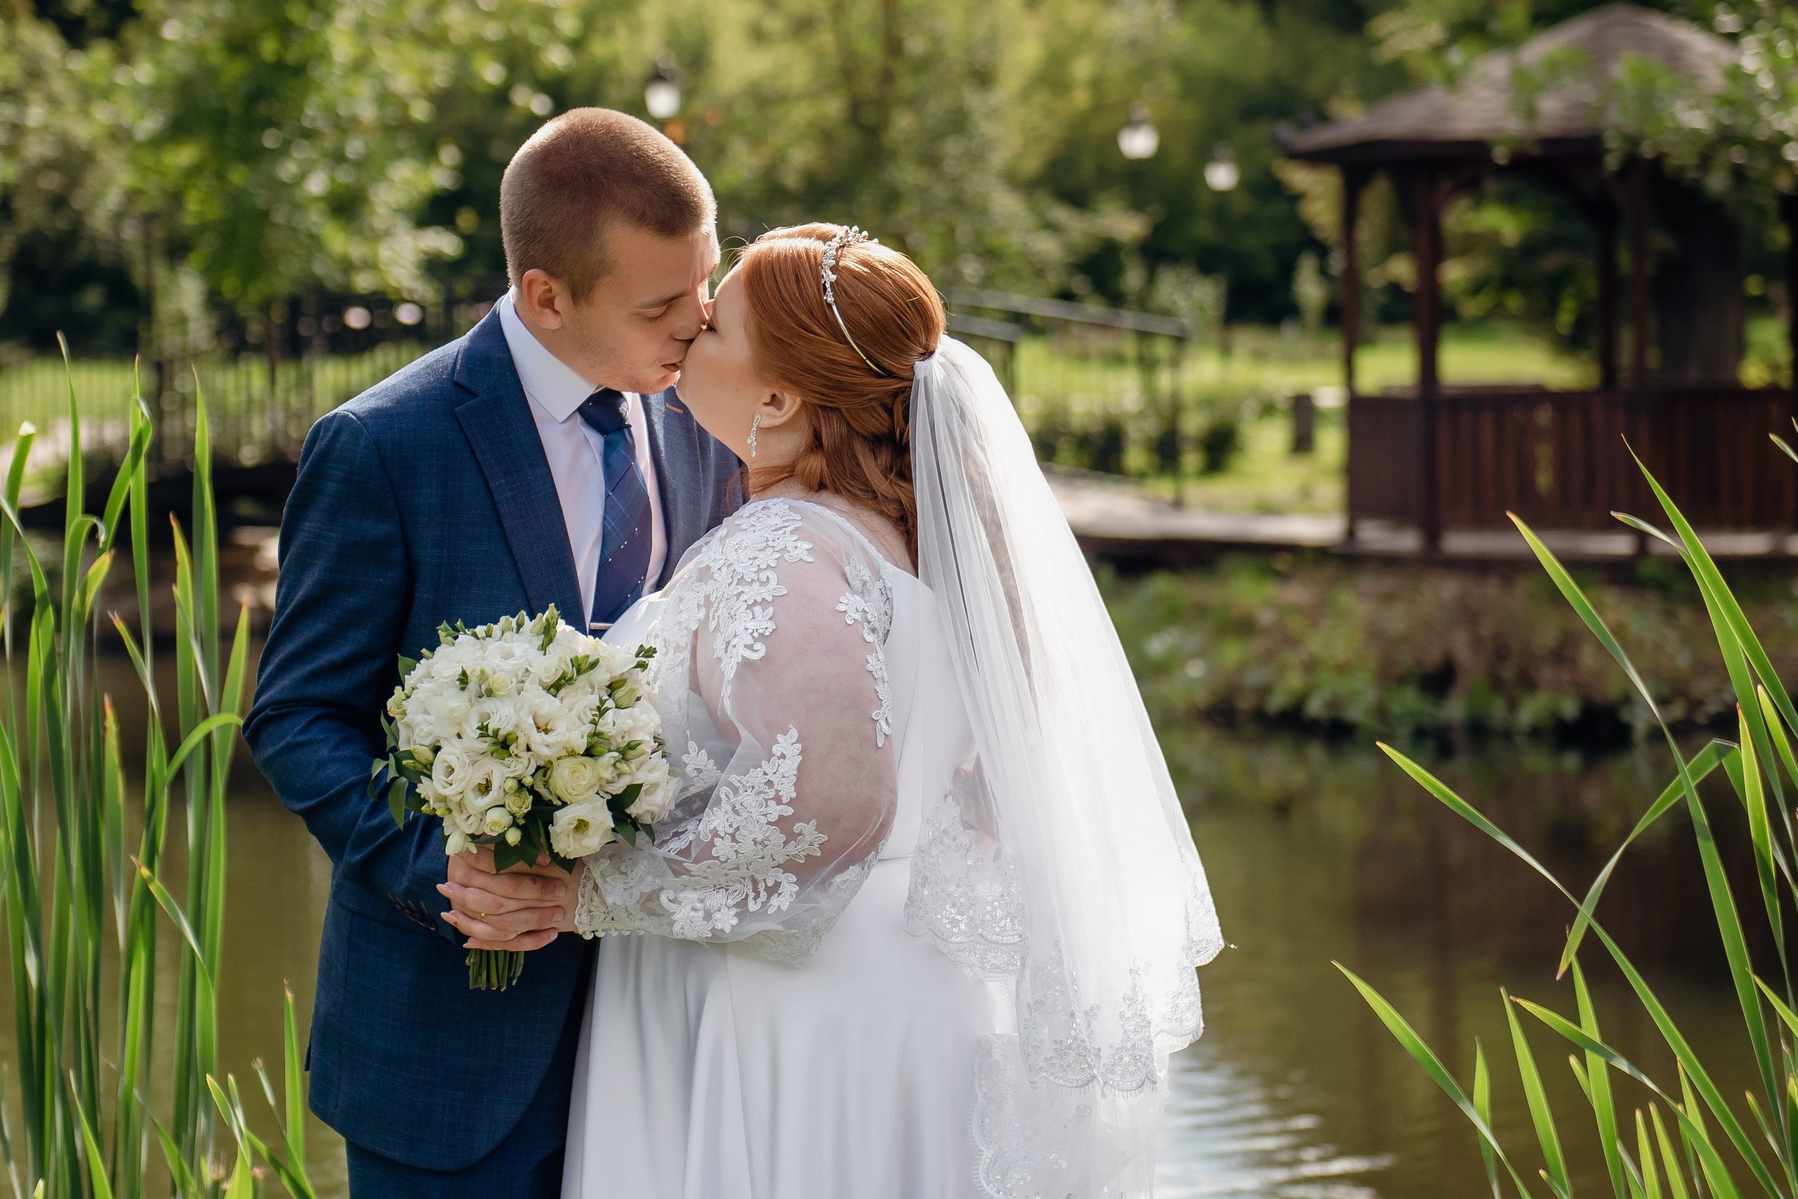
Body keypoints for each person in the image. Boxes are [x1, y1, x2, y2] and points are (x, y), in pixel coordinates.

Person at [439, 223, 1224, 1199]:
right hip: (879, 980)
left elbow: (838, 794)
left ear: (777, 395)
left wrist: (593, 889)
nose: (689, 329)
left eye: (715, 322)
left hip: (786, 1011)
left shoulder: (790, 542)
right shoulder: (913, 542)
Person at [245, 108, 745, 1198]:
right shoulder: (384, 446)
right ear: (546, 295)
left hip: (673, 1026)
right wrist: (450, 871)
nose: (699, 324)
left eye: (706, 286)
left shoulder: (709, 411)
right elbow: (294, 718)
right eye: (661, 303)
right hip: (449, 1044)